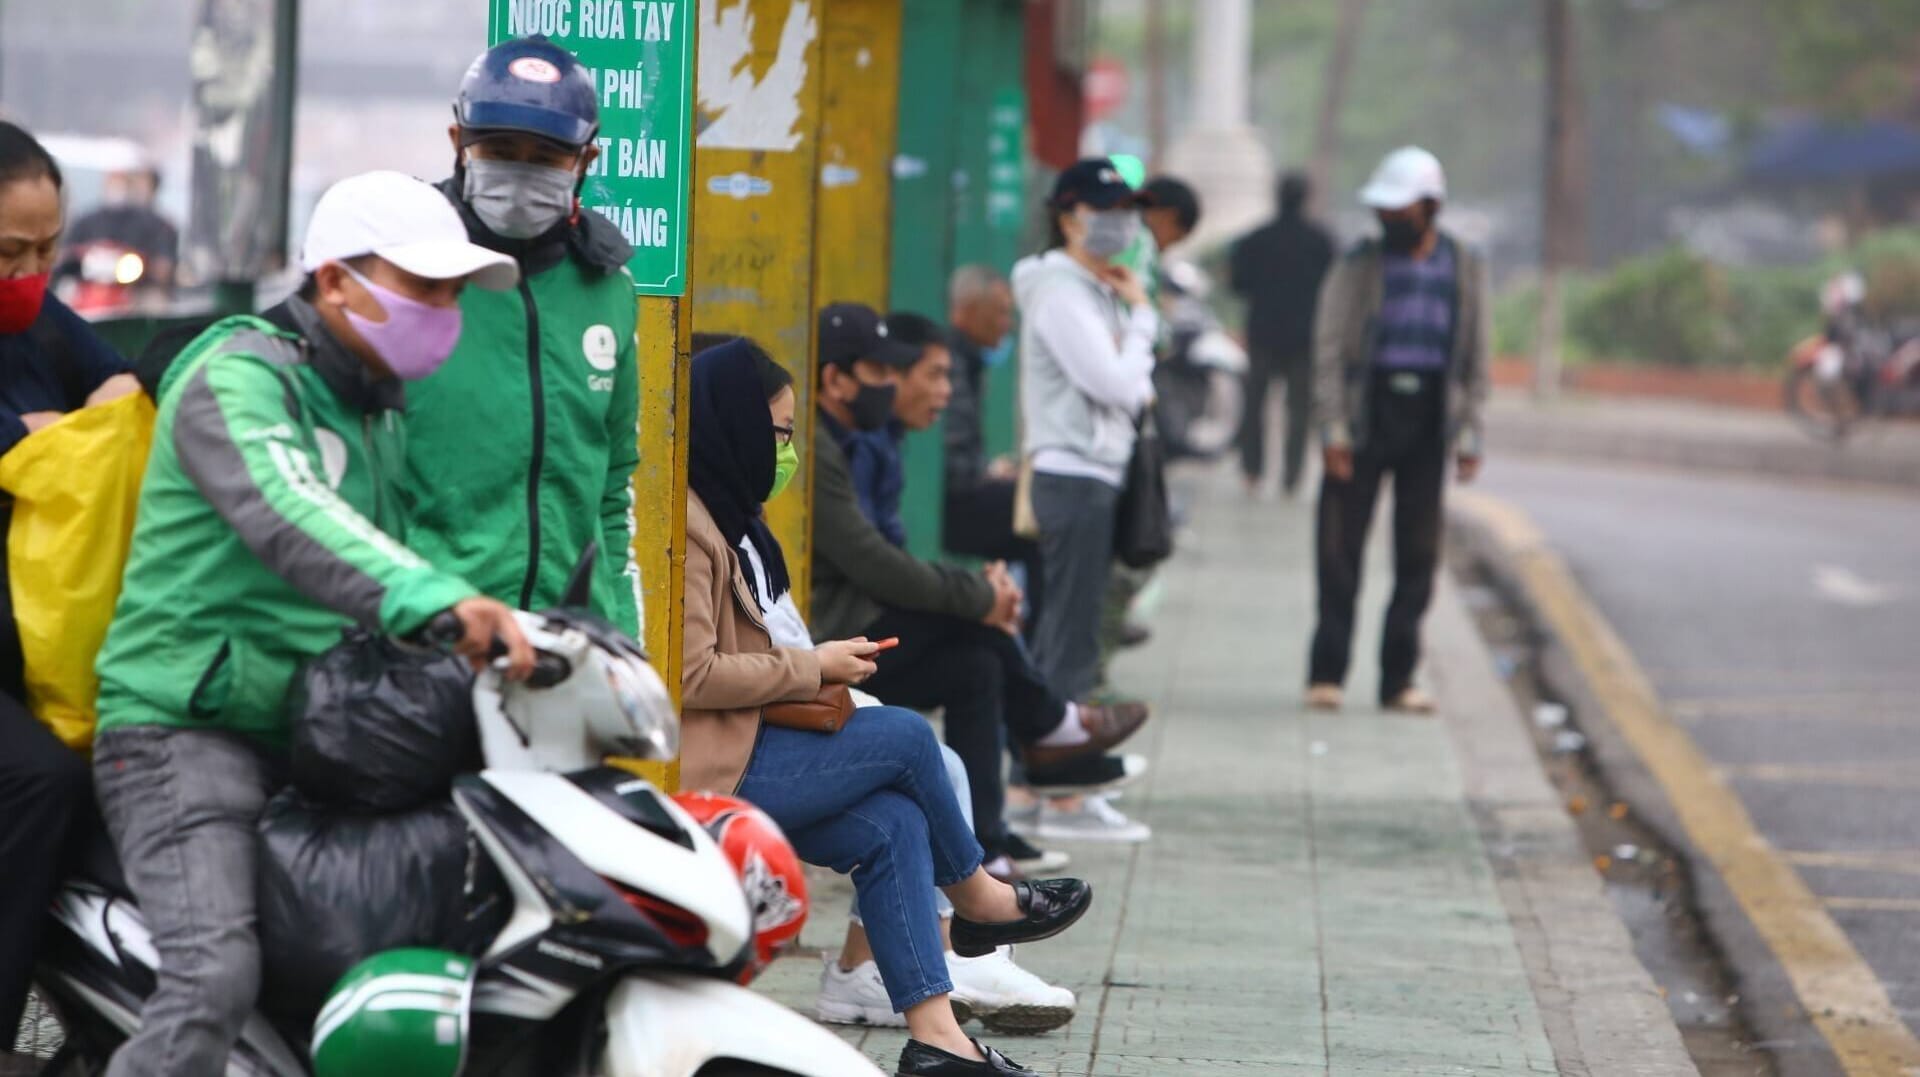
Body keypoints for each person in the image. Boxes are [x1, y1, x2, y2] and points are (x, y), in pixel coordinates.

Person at [88, 171, 536, 1077]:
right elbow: (296, 519)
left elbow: (392, 547)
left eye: (453, 295)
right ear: (334, 281)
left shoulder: (373, 405)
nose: (444, 313)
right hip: (184, 730)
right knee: (213, 978)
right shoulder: (237, 378)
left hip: (320, 730)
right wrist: (444, 604)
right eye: (423, 289)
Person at [677, 337, 1090, 1076]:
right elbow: (693, 674)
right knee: (903, 735)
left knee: (893, 823)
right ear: (733, 423)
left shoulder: (734, 514)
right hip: (716, 761)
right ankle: (978, 895)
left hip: (757, 740)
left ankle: (938, 1039)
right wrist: (815, 665)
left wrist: (823, 663)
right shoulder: (691, 525)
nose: (787, 451)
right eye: (777, 434)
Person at [809, 302, 1149, 864]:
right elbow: (871, 562)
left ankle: (982, 847)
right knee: (976, 623)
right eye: (881, 373)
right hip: (828, 645)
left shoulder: (870, 439)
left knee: (977, 665)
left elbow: (887, 559)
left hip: (861, 630)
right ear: (835, 379)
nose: (894, 386)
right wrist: (980, 595)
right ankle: (1049, 730)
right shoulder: (821, 446)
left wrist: (979, 594)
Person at [403, 36, 642, 636]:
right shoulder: (407, 273)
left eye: (547, 155)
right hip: (430, 637)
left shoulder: (609, 289)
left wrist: (628, 643)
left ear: (586, 161)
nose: (521, 170)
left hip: (571, 643)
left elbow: (612, 492)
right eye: (501, 148)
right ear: (459, 143)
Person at [0, 120, 140, 1077]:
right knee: (42, 780)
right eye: (11, 252)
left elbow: (123, 389)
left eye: (50, 249)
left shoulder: (43, 323)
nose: (33, 272)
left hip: (40, 654)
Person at [1307, 146, 1488, 713]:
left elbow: (1475, 356)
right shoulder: (1358, 262)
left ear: (1430, 207)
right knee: (1339, 552)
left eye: (1400, 211)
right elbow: (1329, 347)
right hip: (1365, 415)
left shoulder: (1461, 264)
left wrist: (1470, 435)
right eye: (1383, 211)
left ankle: (1397, 681)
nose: (1389, 220)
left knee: (1417, 557)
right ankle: (1327, 673)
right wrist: (1333, 429)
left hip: (1429, 419)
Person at [1012, 159, 1158, 707]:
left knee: (1075, 632)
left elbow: (1134, 387)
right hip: (1073, 474)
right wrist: (1143, 317)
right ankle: (1053, 781)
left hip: (1094, 472)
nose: (1121, 222)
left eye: (1128, 211)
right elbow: (1118, 386)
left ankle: (1060, 776)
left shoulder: (1095, 287)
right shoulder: (1059, 290)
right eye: (1106, 209)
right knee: (1067, 639)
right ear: (1068, 216)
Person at [1232, 171, 1335, 498]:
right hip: (1305, 338)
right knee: (1299, 410)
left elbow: (1238, 284)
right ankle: (1292, 478)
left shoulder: (1256, 239)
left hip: (1262, 333)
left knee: (1254, 406)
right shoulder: (1321, 241)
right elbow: (1333, 290)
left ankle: (1252, 471)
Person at [940, 266, 1030, 566]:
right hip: (949, 502)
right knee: (1041, 512)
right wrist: (986, 471)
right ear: (965, 311)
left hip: (965, 488)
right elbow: (955, 460)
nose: (1007, 325)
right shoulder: (950, 364)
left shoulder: (968, 362)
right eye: (1000, 313)